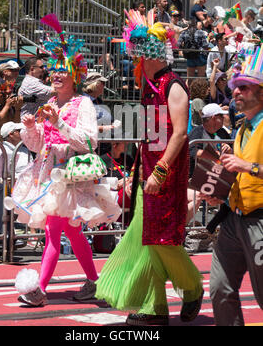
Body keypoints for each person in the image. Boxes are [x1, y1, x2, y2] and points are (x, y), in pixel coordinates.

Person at [96, 18, 203, 326]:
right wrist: (136, 172)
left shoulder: (174, 85)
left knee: (161, 239)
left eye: (141, 53)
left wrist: (159, 171)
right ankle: (154, 309)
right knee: (147, 239)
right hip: (147, 173)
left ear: (155, 54)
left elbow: (180, 134)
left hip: (167, 174)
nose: (136, 58)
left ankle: (192, 287)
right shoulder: (148, 86)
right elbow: (148, 137)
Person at [11, 17, 121, 307]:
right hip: (48, 176)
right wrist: (31, 127)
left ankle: (40, 290)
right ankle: (95, 283)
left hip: (70, 179)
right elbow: (38, 146)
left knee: (54, 232)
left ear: (75, 77)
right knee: (70, 232)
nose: (56, 77)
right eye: (54, 72)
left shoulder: (83, 103)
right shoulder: (50, 104)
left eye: (63, 72)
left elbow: (87, 142)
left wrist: (58, 123)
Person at [209, 55, 263, 326]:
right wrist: (218, 189)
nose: (236, 91)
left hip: (260, 221)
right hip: (234, 220)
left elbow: (249, 168)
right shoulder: (242, 127)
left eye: (245, 87)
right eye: (236, 86)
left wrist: (247, 165)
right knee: (219, 288)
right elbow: (239, 173)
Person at [188, 103, 231, 178]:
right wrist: (217, 159)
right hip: (198, 179)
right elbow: (193, 152)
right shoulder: (197, 132)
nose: (223, 118)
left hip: (219, 178)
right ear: (214, 118)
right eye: (221, 116)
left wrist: (229, 149)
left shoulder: (222, 132)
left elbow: (234, 150)